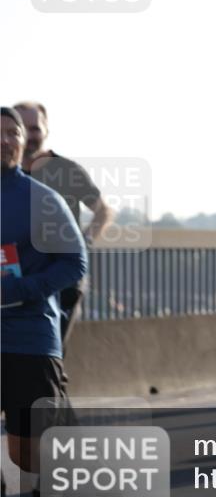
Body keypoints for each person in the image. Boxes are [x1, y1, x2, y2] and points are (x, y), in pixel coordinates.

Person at [1, 106, 88, 497]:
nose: (6, 141)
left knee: (27, 454)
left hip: (30, 335)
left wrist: (16, 290)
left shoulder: (41, 199)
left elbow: (74, 264)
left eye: (12, 133)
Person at [15, 101, 112, 351]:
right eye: (23, 128)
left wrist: (85, 240)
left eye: (35, 128)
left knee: (52, 352)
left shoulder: (66, 170)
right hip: (17, 277)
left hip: (62, 277)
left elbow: (103, 210)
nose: (30, 134)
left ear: (46, 130)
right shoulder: (6, 176)